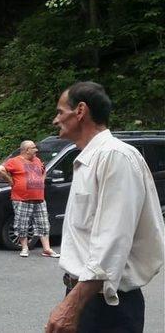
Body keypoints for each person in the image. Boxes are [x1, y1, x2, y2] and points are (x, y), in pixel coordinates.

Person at [46, 82, 165, 333]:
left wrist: (71, 307)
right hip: (88, 296)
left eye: (60, 112)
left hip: (108, 305)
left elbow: (112, 242)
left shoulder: (115, 156)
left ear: (80, 111)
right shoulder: (88, 159)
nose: (55, 120)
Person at [0, 140, 60, 258]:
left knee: (44, 223)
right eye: (34, 148)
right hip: (22, 198)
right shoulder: (14, 161)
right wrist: (10, 180)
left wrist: (42, 181)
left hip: (39, 198)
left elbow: (43, 170)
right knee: (22, 224)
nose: (36, 150)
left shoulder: (37, 160)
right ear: (26, 150)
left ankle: (47, 249)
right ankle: (24, 247)